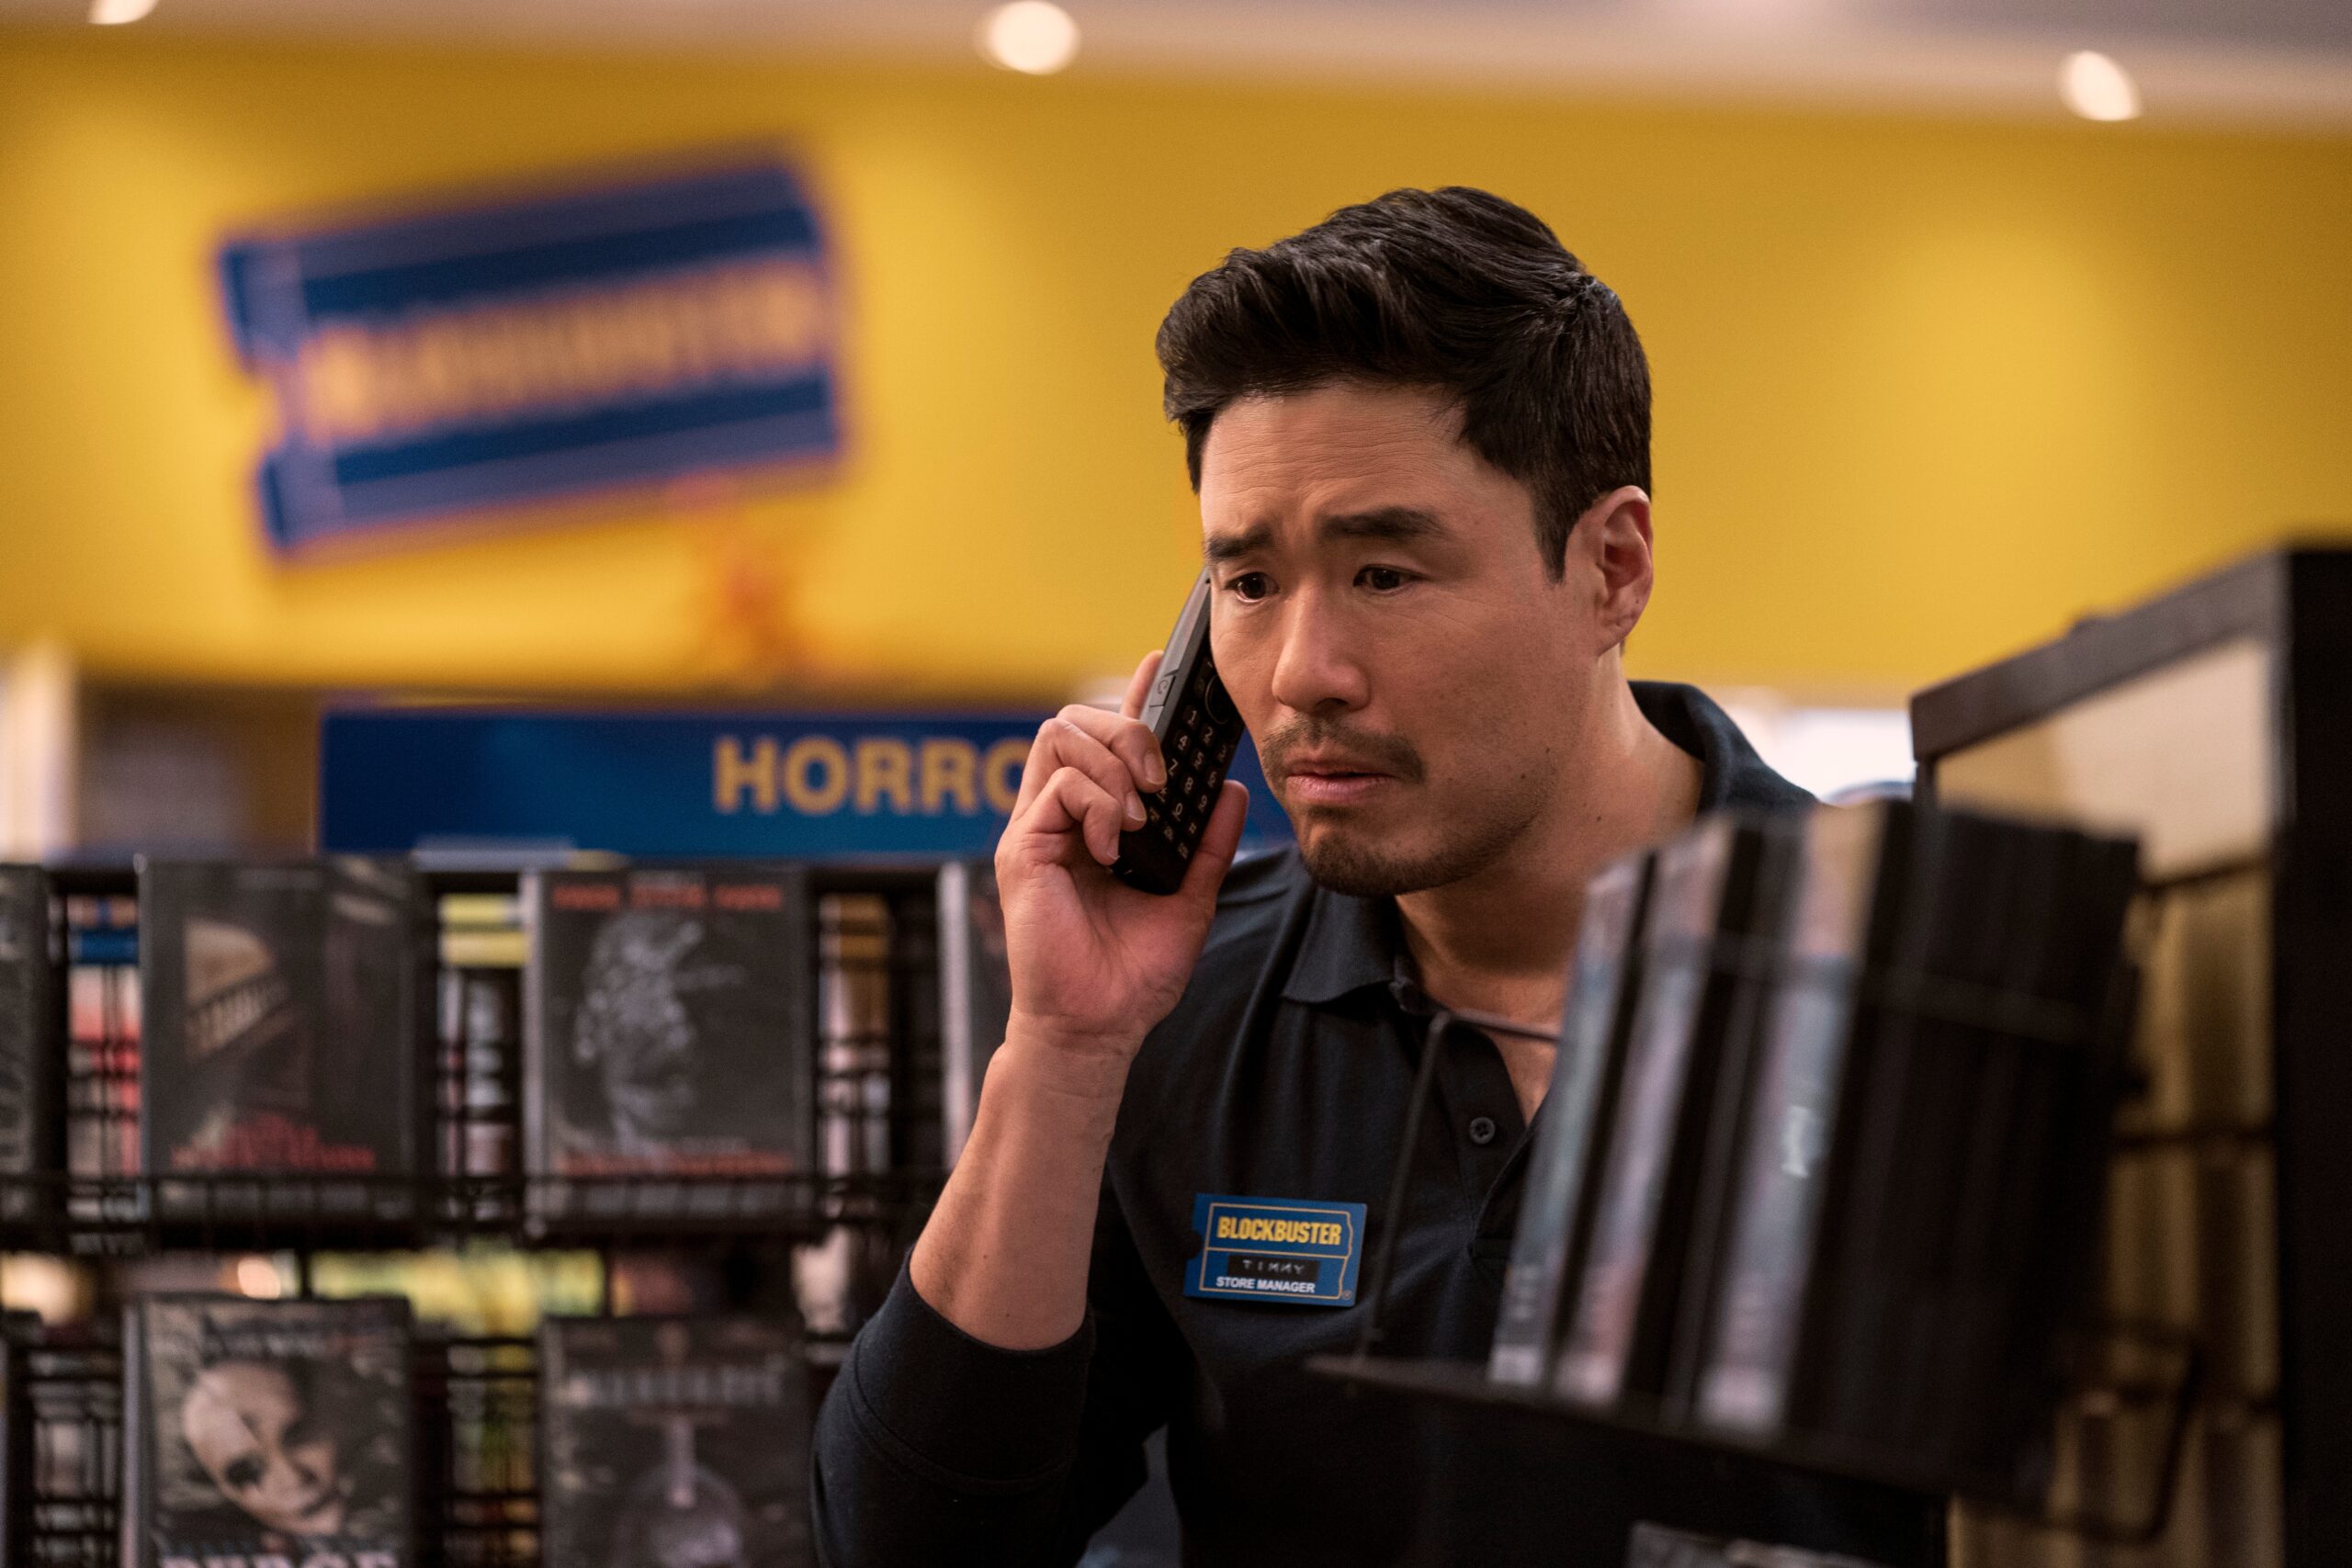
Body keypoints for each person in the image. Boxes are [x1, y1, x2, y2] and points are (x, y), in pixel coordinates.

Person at [813, 187, 1938, 1565]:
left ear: (1612, 567)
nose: (1302, 675)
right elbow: (906, 1548)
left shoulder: (1906, 973)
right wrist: (1063, 1049)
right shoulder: (1183, 1016)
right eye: (1249, 584)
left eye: (1386, 573)